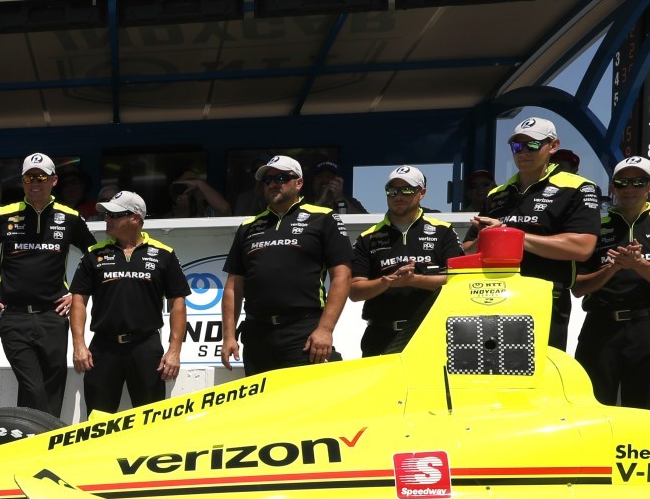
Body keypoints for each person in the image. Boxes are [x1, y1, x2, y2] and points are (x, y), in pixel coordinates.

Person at [463, 118, 600, 350]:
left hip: (545, 297)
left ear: (553, 145)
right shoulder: (498, 193)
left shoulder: (578, 188)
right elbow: (466, 250)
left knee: (541, 378)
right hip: (493, 298)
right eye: (517, 146)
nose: (523, 152)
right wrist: (486, 238)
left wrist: (510, 235)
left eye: (533, 145)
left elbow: (582, 247)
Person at [0, 152, 98, 416]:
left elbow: (95, 257)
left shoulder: (70, 217)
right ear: (22, 182)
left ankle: (41, 444)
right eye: (29, 177)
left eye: (41, 177)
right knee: (33, 386)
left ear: (54, 180)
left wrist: (77, 294)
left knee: (53, 386)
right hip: (13, 317)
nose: (35, 183)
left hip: (53, 316)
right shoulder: (5, 214)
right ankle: (40, 435)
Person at [221, 155, 352, 375]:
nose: (273, 184)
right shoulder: (248, 226)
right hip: (257, 334)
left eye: (281, 178)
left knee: (305, 405)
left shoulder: (323, 218)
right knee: (263, 407)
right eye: (267, 180)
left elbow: (342, 277)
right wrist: (228, 336)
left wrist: (325, 329)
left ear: (298, 182)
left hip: (303, 332)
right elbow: (234, 286)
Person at [69, 191, 189, 413]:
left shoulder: (164, 254)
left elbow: (178, 305)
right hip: (102, 349)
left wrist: (174, 351)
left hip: (146, 347)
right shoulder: (93, 255)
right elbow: (78, 301)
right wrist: (78, 345)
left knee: (151, 421)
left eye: (114, 215)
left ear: (135, 218)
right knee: (98, 420)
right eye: (106, 215)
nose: (107, 220)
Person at [347, 166, 463, 356]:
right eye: (392, 191)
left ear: (422, 193)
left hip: (430, 332)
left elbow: (456, 280)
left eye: (407, 190)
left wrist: (413, 280)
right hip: (380, 335)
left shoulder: (443, 231)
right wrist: (386, 282)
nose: (398, 196)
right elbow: (355, 291)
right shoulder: (368, 237)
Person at [572, 156, 650, 408]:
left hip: (647, 326)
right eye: (622, 182)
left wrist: (639, 265)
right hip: (600, 326)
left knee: (645, 409)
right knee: (593, 406)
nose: (629, 188)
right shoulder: (594, 226)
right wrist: (613, 268)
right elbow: (578, 288)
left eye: (638, 182)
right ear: (612, 187)